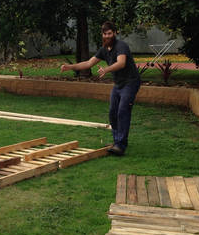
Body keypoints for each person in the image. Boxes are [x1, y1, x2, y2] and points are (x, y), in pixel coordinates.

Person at [60, 21, 141, 156]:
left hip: (130, 82)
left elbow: (121, 63)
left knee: (122, 111)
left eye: (110, 33)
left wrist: (107, 69)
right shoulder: (103, 50)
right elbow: (88, 63)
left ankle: (120, 145)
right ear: (102, 35)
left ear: (115, 33)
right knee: (112, 112)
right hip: (119, 84)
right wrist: (70, 67)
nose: (107, 36)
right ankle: (117, 142)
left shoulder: (121, 46)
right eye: (105, 34)